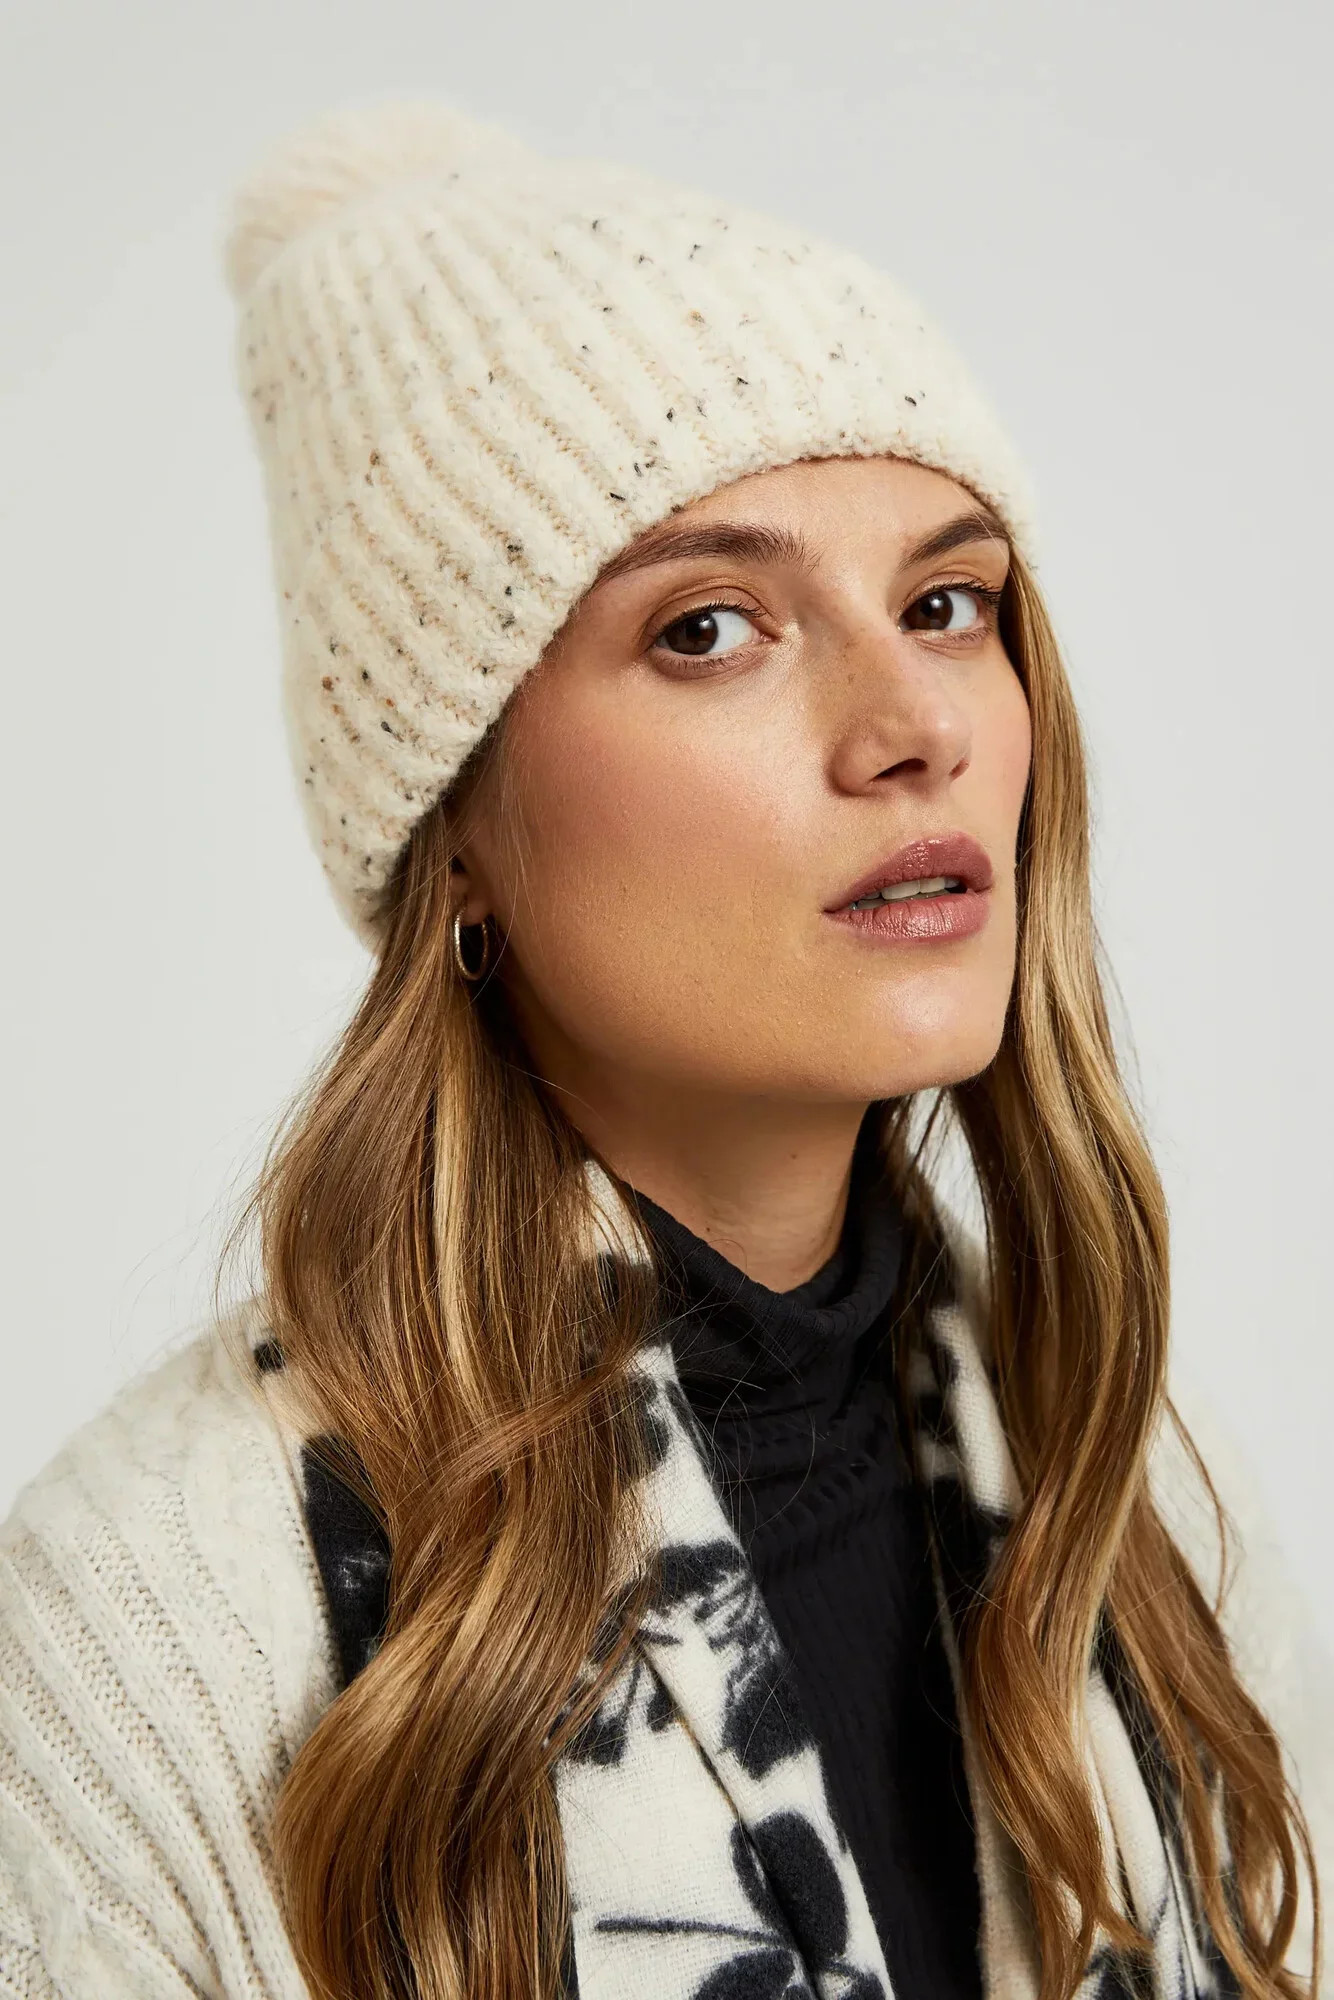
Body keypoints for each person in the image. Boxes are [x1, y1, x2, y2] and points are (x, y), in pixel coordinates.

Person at [0, 98, 1327, 2000]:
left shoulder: (1139, 1496)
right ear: (453, 830)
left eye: (945, 603)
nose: (915, 724)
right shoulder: (154, 1625)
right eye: (710, 627)